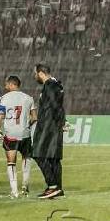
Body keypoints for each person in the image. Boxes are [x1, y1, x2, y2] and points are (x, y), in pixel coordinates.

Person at [0, 75, 37, 198]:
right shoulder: (28, 98)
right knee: (26, 157)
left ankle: (14, 192)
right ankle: (25, 186)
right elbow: (34, 117)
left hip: (10, 134)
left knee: (11, 162)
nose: (5, 86)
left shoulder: (3, 98)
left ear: (12, 84)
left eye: (6, 84)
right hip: (24, 134)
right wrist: (27, 125)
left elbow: (0, 116)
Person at [32, 64, 66, 199]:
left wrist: (55, 122)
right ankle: (58, 188)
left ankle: (52, 186)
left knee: (38, 154)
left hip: (48, 126)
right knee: (53, 158)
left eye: (35, 74)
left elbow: (54, 105)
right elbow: (59, 106)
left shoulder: (50, 86)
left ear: (40, 73)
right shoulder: (57, 84)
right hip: (54, 125)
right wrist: (62, 121)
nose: (35, 77)